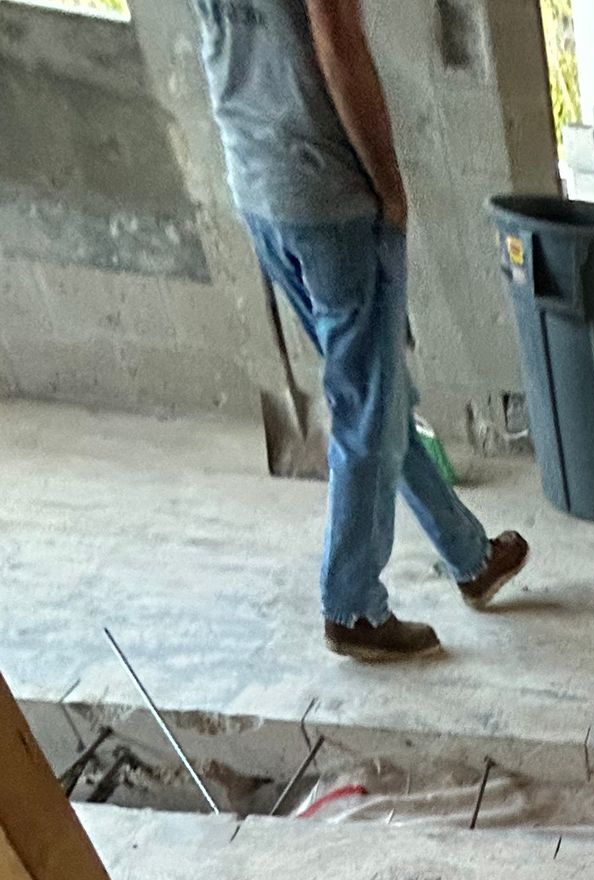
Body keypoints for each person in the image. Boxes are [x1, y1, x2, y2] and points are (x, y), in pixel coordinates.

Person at [195, 0, 530, 662]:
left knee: (378, 391)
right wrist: (389, 184)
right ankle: (351, 605)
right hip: (328, 194)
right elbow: (339, 44)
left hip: (258, 183)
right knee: (368, 408)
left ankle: (470, 557)